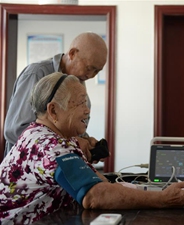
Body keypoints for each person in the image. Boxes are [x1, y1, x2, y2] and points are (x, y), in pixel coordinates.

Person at [0, 72, 184, 224]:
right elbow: (95, 196)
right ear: (53, 110)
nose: (87, 110)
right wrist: (163, 199)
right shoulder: (47, 145)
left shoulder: (53, 137)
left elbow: (100, 184)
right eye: (81, 103)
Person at [3, 32, 108, 160]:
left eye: (97, 71)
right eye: (89, 68)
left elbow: (69, 130)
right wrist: (71, 144)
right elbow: (15, 130)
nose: (91, 76)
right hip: (27, 170)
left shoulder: (77, 82)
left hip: (58, 170)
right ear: (72, 53)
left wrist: (86, 142)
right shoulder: (37, 73)